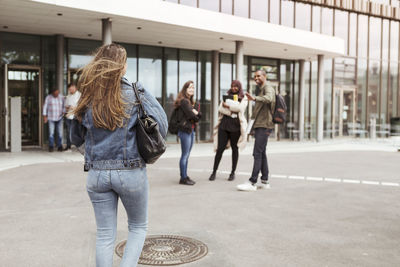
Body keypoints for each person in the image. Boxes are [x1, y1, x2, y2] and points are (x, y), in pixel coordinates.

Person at [70, 43, 167, 267]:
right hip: (131, 171)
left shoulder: (87, 94)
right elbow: (161, 124)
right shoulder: (135, 91)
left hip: (96, 174)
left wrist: (95, 152)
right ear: (122, 66)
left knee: (104, 235)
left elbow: (75, 136)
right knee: (138, 227)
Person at [237, 70, 275, 191]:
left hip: (264, 125)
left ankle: (252, 182)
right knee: (262, 152)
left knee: (257, 153)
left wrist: (254, 98)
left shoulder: (268, 87)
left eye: (259, 76)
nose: (256, 78)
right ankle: (265, 180)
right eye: (254, 76)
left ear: (265, 76)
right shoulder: (262, 89)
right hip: (260, 125)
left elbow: (269, 98)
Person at [209, 80, 248, 181]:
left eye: (236, 86)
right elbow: (220, 109)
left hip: (235, 127)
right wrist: (231, 111)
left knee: (235, 149)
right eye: (232, 86)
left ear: (239, 87)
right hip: (224, 126)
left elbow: (240, 108)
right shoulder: (226, 96)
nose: (234, 88)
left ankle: (232, 173)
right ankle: (214, 172)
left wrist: (228, 106)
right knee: (220, 149)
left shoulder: (244, 98)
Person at [174, 81, 201, 185]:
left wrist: (197, 114)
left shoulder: (191, 102)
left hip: (191, 130)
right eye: (189, 88)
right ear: (185, 89)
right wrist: (196, 114)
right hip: (185, 131)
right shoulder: (184, 102)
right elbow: (193, 117)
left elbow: (197, 116)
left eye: (193, 88)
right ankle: (183, 178)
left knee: (187, 155)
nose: (192, 90)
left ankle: (185, 175)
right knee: (185, 155)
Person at [64, 83, 81, 150]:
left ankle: (79, 146)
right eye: (69, 89)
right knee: (69, 132)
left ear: (74, 87)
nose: (70, 90)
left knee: (78, 132)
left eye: (71, 89)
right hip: (69, 116)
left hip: (76, 117)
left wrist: (73, 108)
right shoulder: (68, 96)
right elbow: (66, 107)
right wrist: (68, 107)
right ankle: (68, 146)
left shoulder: (79, 95)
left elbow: (81, 106)